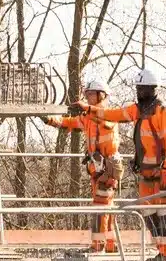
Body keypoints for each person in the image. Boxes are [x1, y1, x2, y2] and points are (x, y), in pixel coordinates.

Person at [104, 66, 166, 258]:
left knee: (165, 213)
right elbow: (114, 114)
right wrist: (89, 110)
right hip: (145, 174)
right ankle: (161, 250)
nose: (139, 92)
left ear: (152, 89)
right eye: (138, 88)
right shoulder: (138, 111)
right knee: (148, 213)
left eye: (142, 89)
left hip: (161, 173)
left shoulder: (163, 112)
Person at [45, 76, 122, 252]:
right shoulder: (88, 117)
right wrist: (49, 119)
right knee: (105, 206)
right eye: (87, 95)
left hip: (108, 169)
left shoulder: (108, 114)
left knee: (101, 206)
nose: (87, 97)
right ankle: (110, 245)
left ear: (102, 95)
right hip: (97, 168)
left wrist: (87, 109)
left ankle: (98, 246)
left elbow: (104, 120)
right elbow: (69, 123)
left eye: (91, 94)